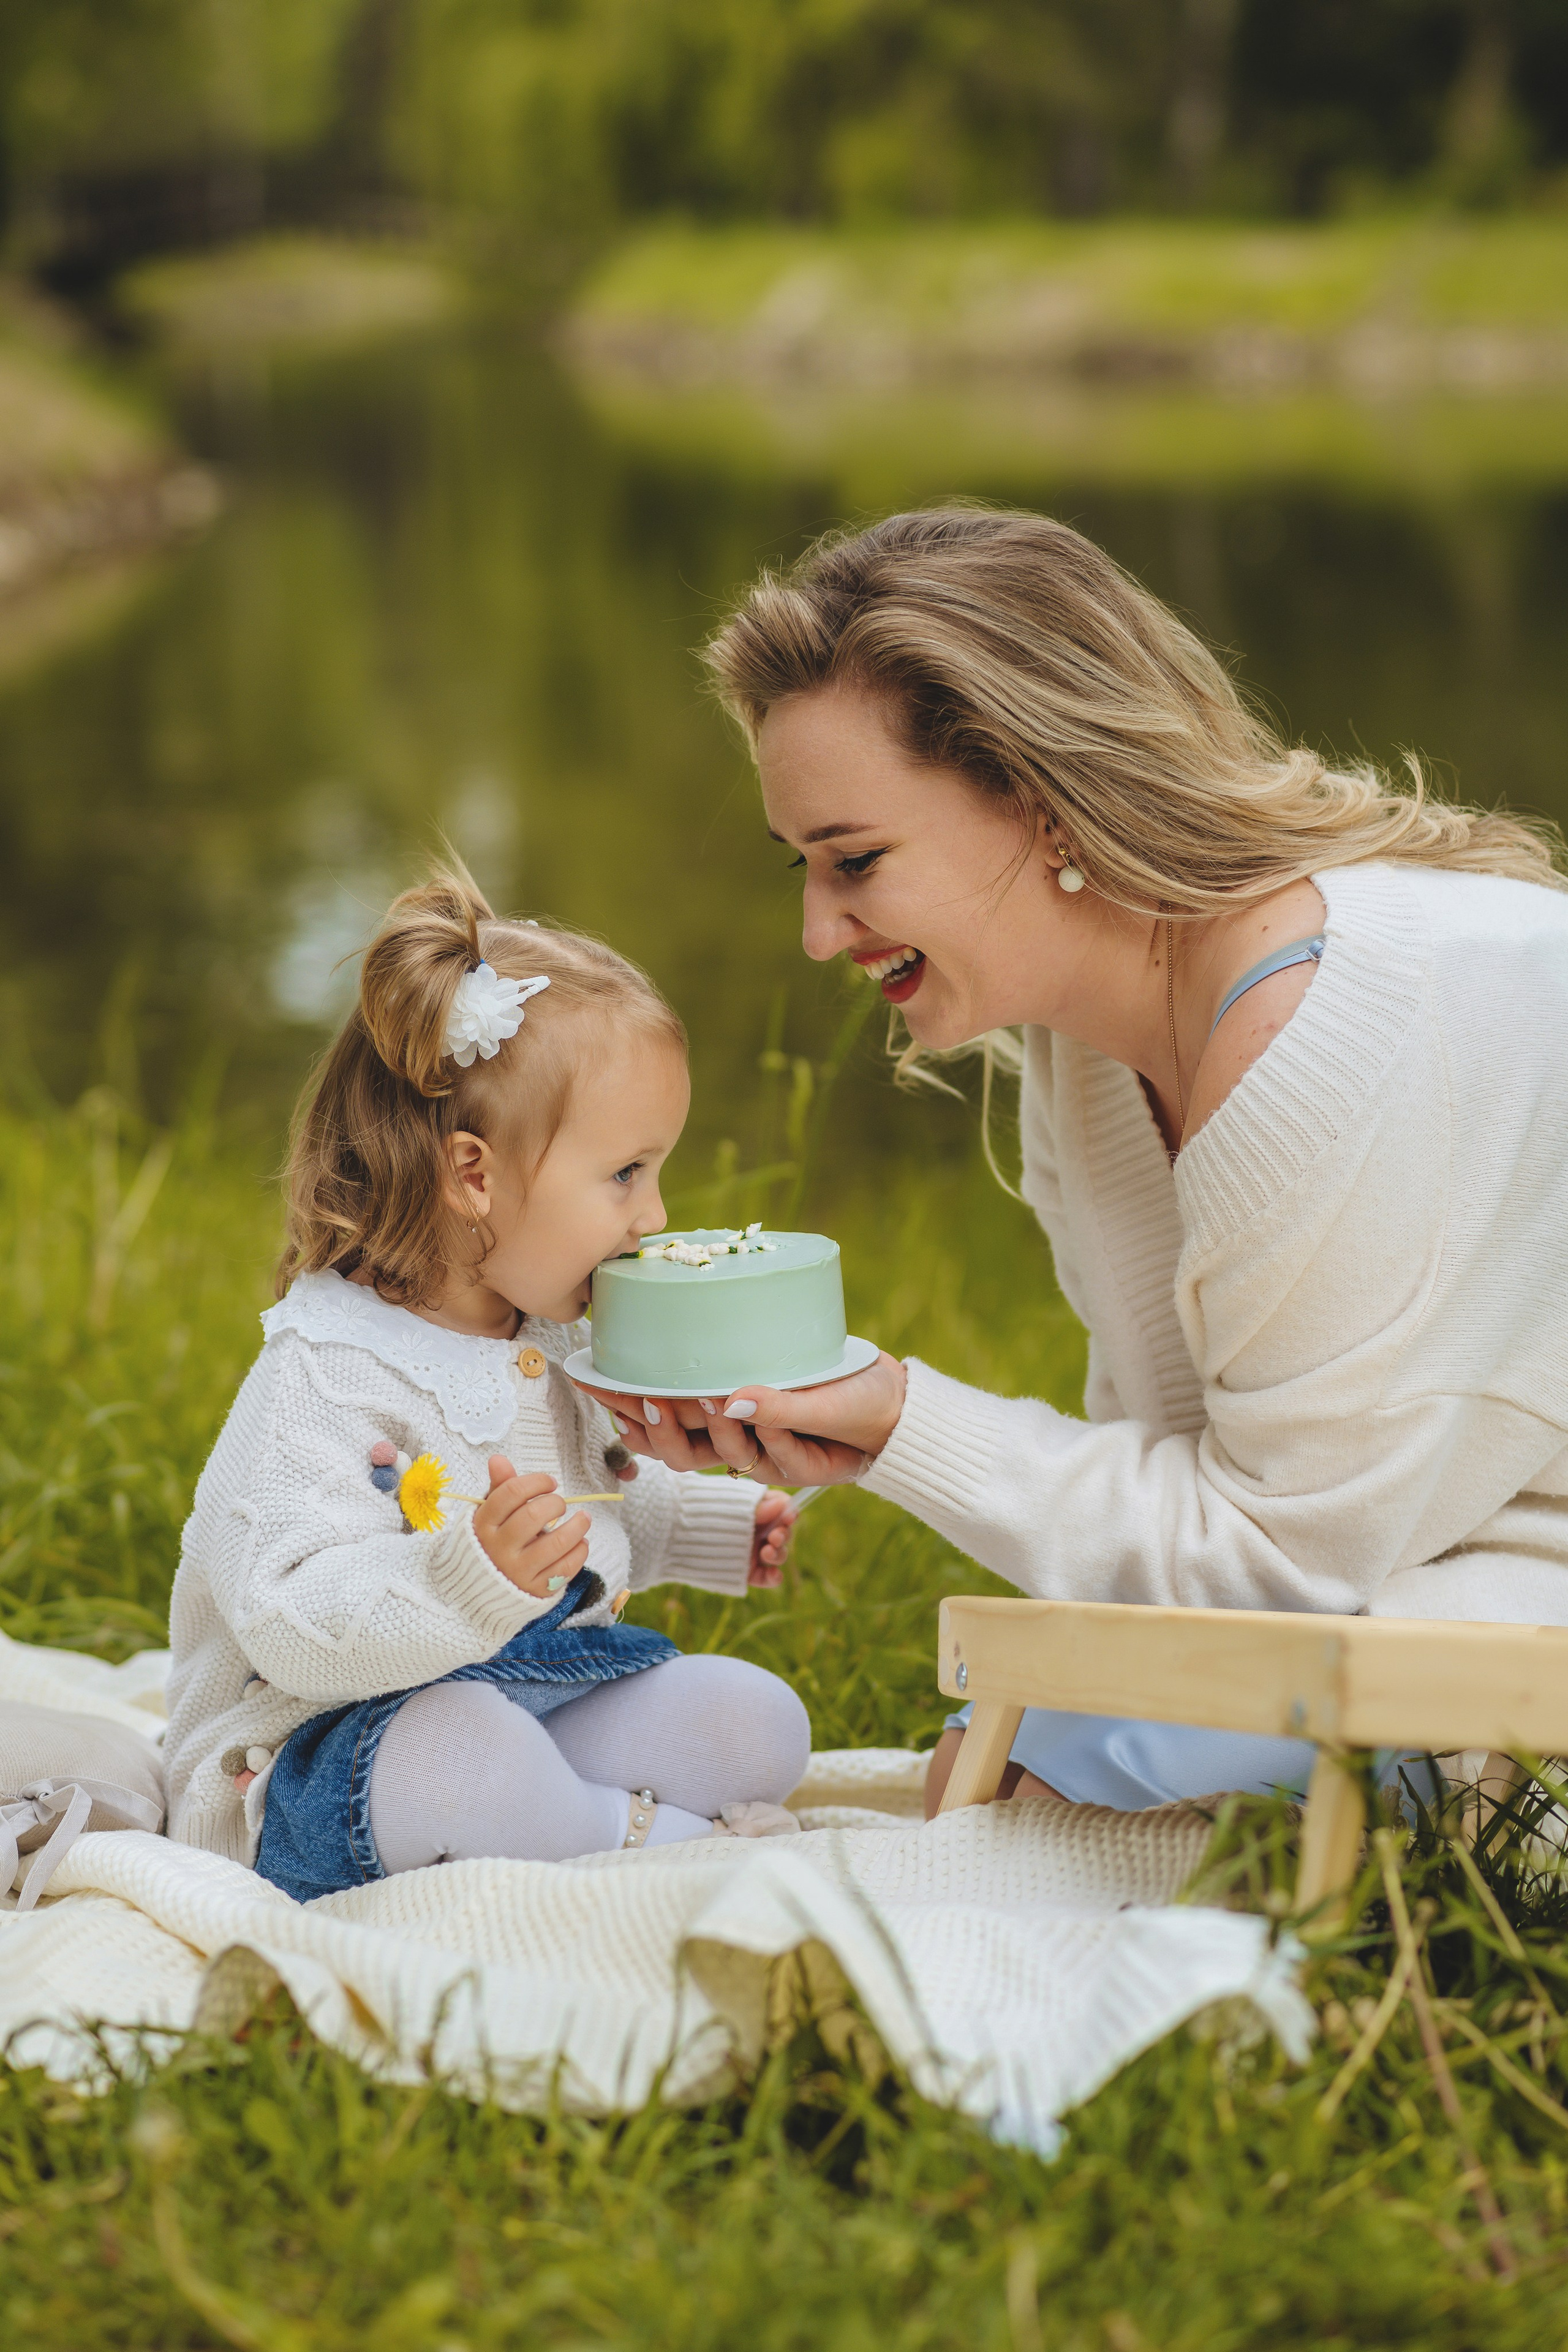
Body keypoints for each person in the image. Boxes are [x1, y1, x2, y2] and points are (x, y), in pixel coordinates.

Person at [576, 505, 1568, 1819]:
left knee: (1022, 1775)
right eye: (805, 869)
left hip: (1503, 1584)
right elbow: (1182, 1478)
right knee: (1008, 1759)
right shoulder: (1093, 1034)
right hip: (1375, 1574)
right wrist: (866, 1426)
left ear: (1039, 803)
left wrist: (904, 1419)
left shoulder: (1323, 1031)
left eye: (855, 861)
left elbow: (1278, 1570)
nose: (818, 932)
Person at [164, 870, 809, 1899]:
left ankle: (574, 1820)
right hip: (329, 1749)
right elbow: (284, 1617)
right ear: (474, 1176)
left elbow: (589, 1501)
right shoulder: (325, 1372)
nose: (653, 1216)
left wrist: (705, 1525)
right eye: (626, 1174)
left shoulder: (549, 1332)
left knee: (757, 1721)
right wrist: (464, 1578)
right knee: (463, 1753)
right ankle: (649, 1845)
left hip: (528, 1688)